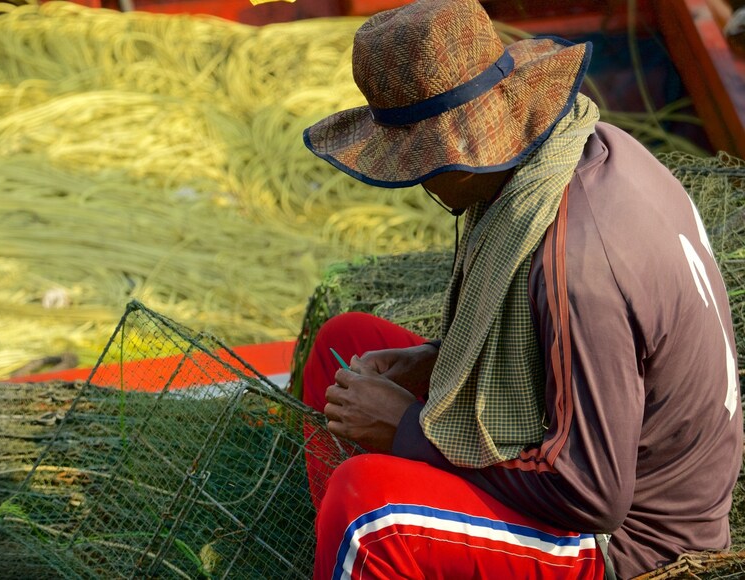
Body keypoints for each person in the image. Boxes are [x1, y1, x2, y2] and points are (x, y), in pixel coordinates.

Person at [298, 0, 743, 578]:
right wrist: (431, 364)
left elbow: (592, 494)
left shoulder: (581, 268)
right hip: (583, 450)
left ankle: (361, 549)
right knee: (346, 339)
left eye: (419, 166)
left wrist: (406, 431)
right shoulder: (576, 147)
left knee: (366, 511)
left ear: (461, 152)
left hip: (628, 540)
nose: (417, 184)